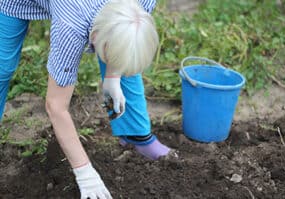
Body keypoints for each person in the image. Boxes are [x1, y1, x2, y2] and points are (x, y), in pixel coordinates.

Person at [0, 0, 174, 198]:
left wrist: (112, 78)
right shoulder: (71, 26)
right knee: (1, 66)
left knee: (125, 46)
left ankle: (136, 136)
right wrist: (85, 173)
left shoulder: (143, 2)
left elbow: (123, 34)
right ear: (93, 36)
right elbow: (56, 106)